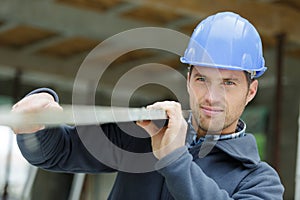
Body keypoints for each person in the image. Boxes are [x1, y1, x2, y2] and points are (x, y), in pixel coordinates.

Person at [13, 12, 284, 199]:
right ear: (188, 79)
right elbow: (58, 152)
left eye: (228, 83)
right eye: (202, 78)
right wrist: (35, 126)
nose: (212, 96)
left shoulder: (260, 182)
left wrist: (174, 159)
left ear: (251, 91)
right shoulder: (146, 132)